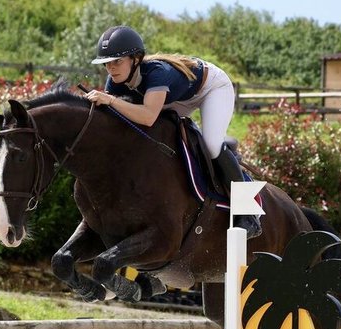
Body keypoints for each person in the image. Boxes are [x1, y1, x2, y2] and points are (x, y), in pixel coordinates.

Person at [85, 25, 259, 233]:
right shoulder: (115, 82)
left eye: (117, 61)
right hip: (177, 98)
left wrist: (110, 100)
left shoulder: (158, 74)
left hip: (211, 88)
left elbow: (148, 116)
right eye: (107, 63)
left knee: (212, 145)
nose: (111, 68)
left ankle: (248, 212)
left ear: (136, 59)